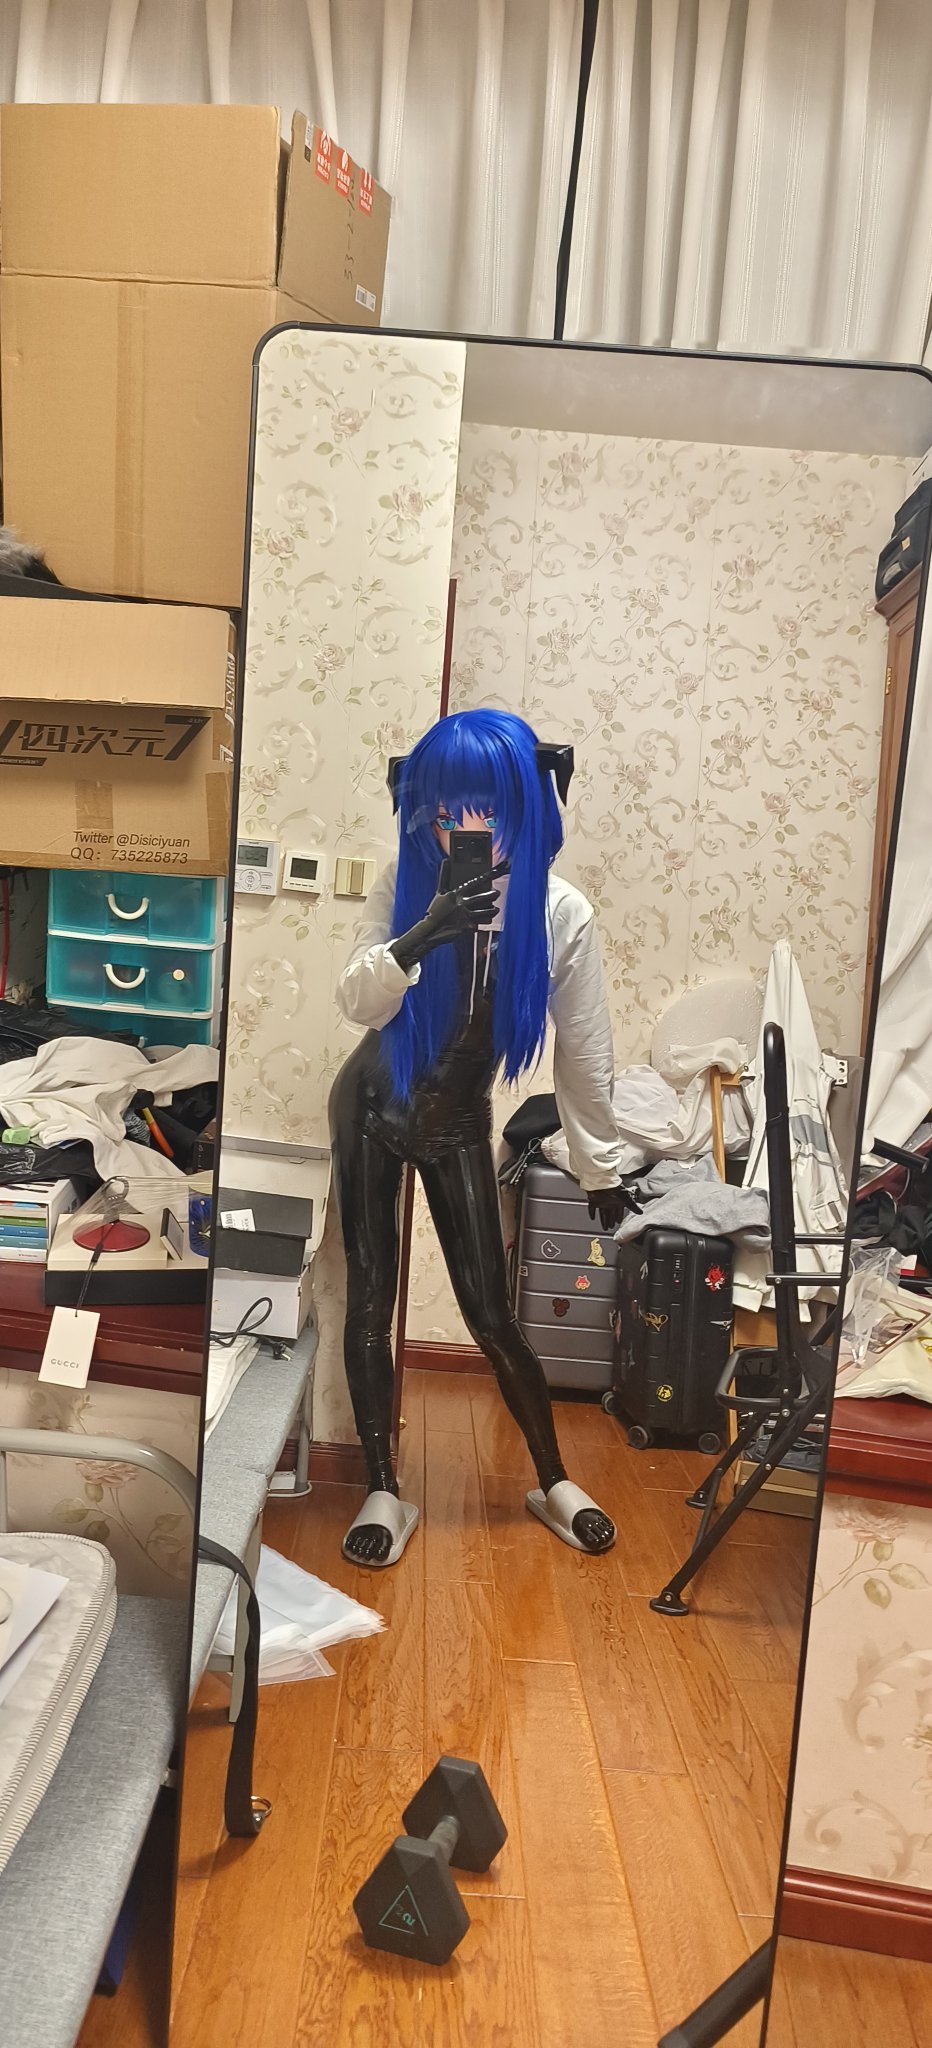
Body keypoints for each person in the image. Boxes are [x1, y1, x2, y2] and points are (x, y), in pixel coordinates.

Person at [329, 707, 631, 1567]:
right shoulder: (405, 880)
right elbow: (357, 1002)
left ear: (526, 804)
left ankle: (555, 1480)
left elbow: (586, 1051)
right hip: (369, 1107)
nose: (463, 827)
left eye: (486, 808)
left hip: (459, 1119)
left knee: (491, 1313)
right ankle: (382, 1486)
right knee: (370, 1301)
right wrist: (423, 931)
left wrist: (599, 1166)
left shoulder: (560, 912)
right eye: (443, 810)